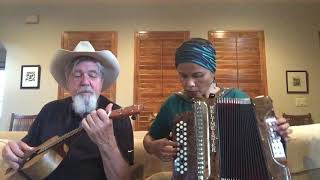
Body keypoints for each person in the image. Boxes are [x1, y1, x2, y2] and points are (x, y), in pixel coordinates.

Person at [143, 38, 291, 166]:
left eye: (198, 75)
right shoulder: (173, 103)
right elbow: (149, 138)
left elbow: (267, 146)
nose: (189, 83)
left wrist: (277, 133)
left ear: (213, 72)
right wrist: (152, 147)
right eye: (183, 76)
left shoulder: (237, 98)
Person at [2, 41, 133, 180]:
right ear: (68, 80)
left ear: (101, 81)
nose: (85, 81)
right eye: (77, 75)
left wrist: (107, 143)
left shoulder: (118, 115)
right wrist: (10, 152)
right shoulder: (49, 110)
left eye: (93, 75)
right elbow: (25, 153)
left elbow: (124, 178)